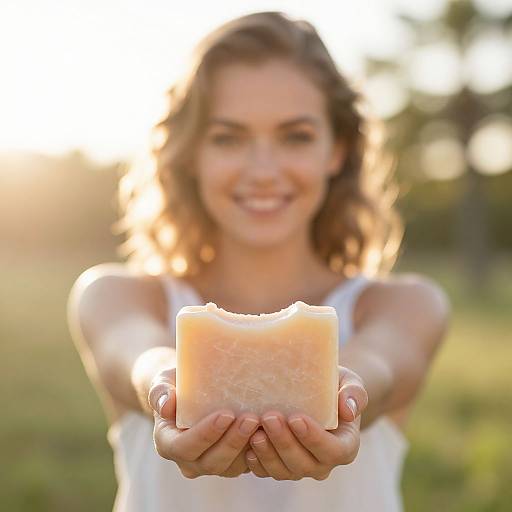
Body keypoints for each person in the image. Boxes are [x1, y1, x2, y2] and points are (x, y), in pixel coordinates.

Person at [67, 11, 450, 512]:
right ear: (191, 153)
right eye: (228, 137)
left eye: (296, 136)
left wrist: (345, 395)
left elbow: (378, 362)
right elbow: (139, 354)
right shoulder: (115, 296)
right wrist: (165, 384)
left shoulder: (406, 305)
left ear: (337, 149)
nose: (263, 171)